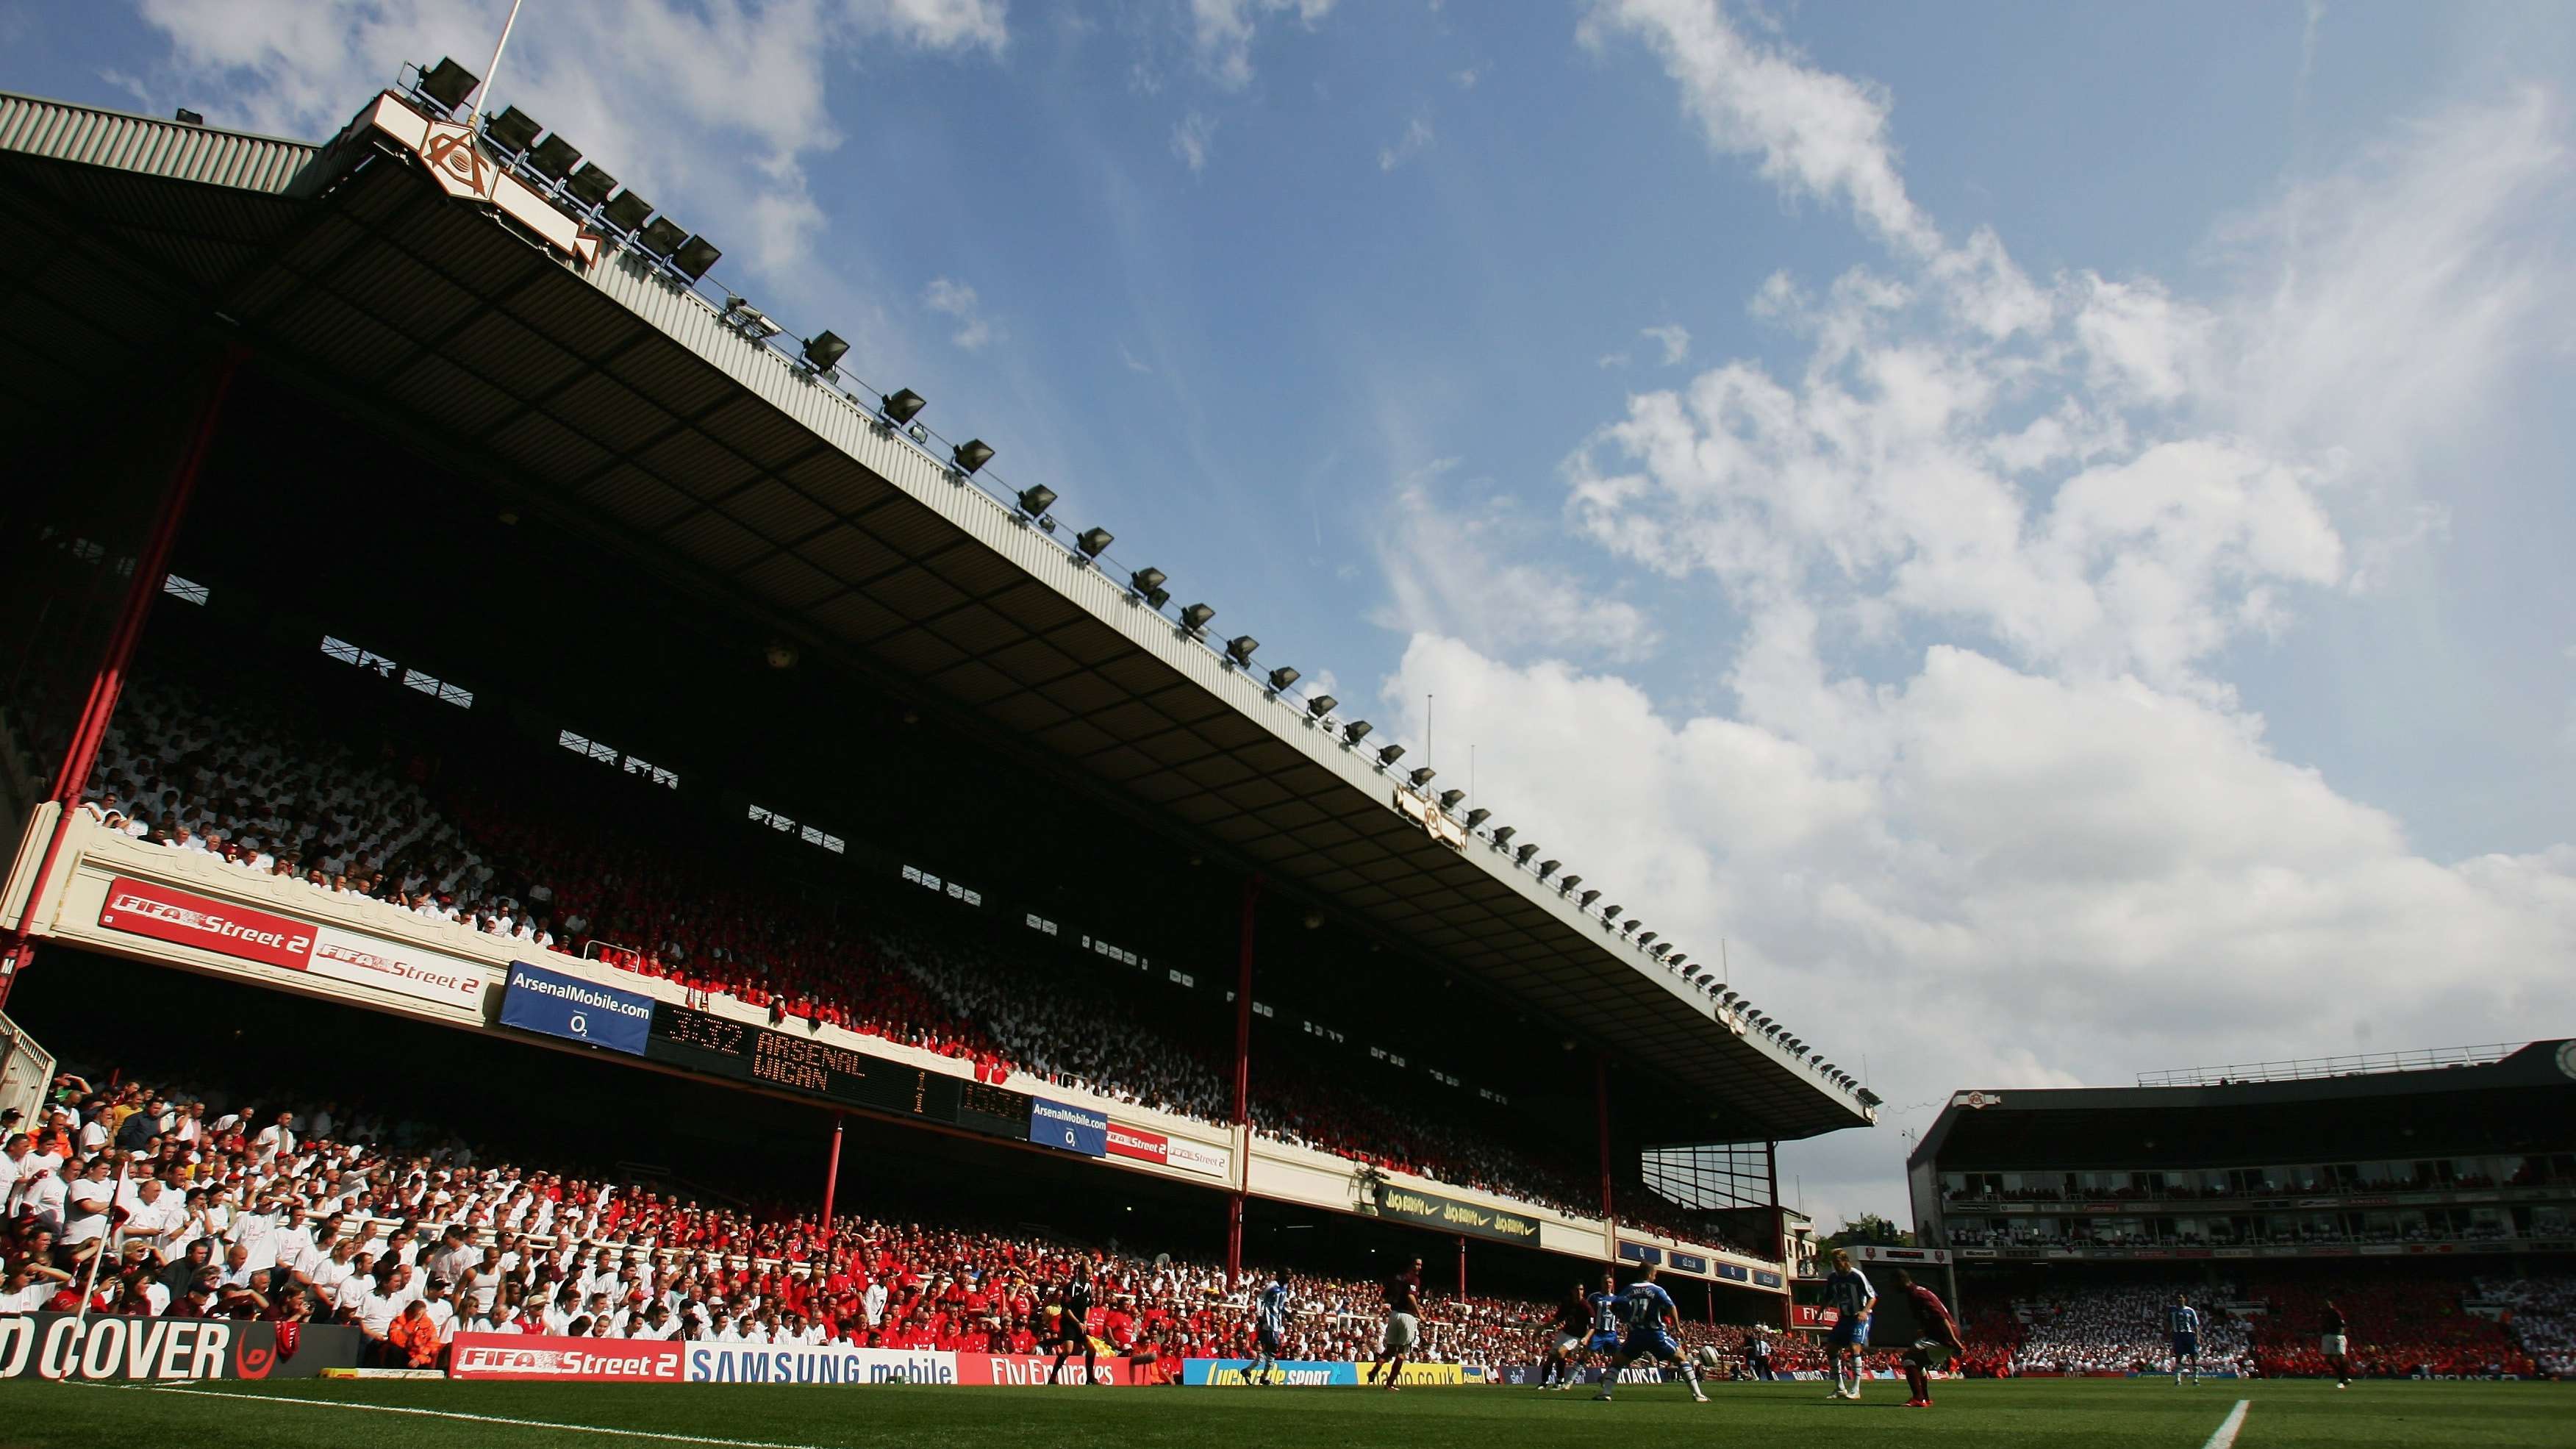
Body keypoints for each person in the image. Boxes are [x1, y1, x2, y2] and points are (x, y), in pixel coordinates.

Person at [1590, 1266, 1707, 1403]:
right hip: (1655, 1335)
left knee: (1617, 1362)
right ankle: (1698, 1394)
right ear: (1649, 1274)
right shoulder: (1657, 1290)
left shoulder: (1629, 1289)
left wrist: (1625, 1319)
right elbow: (1671, 1306)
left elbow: (1614, 1306)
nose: (1655, 1277)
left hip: (1635, 1336)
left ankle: (1606, 1393)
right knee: (1681, 1358)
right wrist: (1677, 1327)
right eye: (1654, 1274)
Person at [1891, 1270, 1963, 1409]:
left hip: (1944, 1337)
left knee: (1908, 1358)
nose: (1891, 1287)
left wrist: (1954, 1341)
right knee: (1917, 1362)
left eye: (1893, 1283)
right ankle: (1925, 1398)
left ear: (1900, 1280)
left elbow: (1941, 1318)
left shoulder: (1918, 1295)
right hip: (1938, 1335)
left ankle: (1919, 1398)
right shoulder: (1917, 1292)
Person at [1821, 1248, 1876, 1401]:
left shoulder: (1857, 1276)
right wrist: (1820, 1312)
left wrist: (1864, 1311)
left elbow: (1872, 1297)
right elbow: (1828, 1297)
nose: (1836, 1266)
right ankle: (1840, 1388)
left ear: (1845, 1261)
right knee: (1831, 1349)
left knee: (1854, 1347)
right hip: (1844, 1318)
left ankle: (1856, 1389)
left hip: (1859, 1317)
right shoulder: (1833, 1278)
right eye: (1834, 1263)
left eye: (1838, 1262)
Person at [1364, 1256, 1424, 1390]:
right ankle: (1390, 1383)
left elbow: (1385, 1295)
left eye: (1420, 1265)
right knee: (1401, 1352)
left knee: (1390, 1350)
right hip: (1407, 1316)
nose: (1419, 1267)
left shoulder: (1397, 1278)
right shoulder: (1414, 1279)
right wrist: (1420, 1314)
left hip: (1394, 1315)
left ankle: (1376, 1369)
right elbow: (1411, 1296)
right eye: (1417, 1264)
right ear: (1411, 1265)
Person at [1046, 1264, 1095, 1386]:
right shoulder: (1070, 1287)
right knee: (1068, 1350)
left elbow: (1088, 1306)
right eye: (1088, 1273)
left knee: (1091, 1349)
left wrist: (1085, 1321)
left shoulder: (1089, 1287)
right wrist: (1077, 1323)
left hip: (1081, 1323)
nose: (1090, 1276)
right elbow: (1066, 1309)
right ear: (1081, 1273)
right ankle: (1053, 1377)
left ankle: (1090, 1379)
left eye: (1091, 1273)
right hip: (1069, 1322)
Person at [1539, 1281, 1591, 1392]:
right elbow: (1558, 1319)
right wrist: (1543, 1327)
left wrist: (1586, 1338)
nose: (1579, 1292)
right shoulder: (1568, 1303)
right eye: (1577, 1290)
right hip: (1565, 1334)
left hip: (1576, 1337)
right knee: (1550, 1358)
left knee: (1561, 1352)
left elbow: (1592, 1326)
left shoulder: (1586, 1306)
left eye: (1581, 1289)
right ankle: (1544, 1383)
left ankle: (1560, 1382)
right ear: (1572, 1291)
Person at [1248, 1270, 1289, 1386]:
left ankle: (1251, 1371)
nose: (1289, 1276)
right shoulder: (1272, 1286)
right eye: (1287, 1274)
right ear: (1281, 1275)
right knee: (1273, 1349)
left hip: (1277, 1321)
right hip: (1269, 1320)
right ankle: (1263, 1376)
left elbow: (1280, 1305)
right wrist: (1259, 1315)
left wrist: (1287, 1313)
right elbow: (1260, 1299)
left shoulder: (1285, 1286)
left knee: (1271, 1350)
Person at [2168, 1291, 2203, 1387]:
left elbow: (2196, 1325)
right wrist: (2168, 1334)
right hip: (2177, 1335)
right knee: (2179, 1356)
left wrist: (2198, 1338)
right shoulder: (2171, 1310)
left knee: (2193, 1357)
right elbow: (2168, 1322)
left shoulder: (2190, 1310)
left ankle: (2196, 1379)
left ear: (2184, 1299)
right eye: (2177, 1298)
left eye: (2181, 1297)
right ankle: (2178, 1380)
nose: (2179, 1299)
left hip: (2188, 1335)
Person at [2320, 1300, 2352, 1389]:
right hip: (2327, 1337)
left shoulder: (2336, 1312)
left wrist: (2339, 1337)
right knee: (2328, 1360)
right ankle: (2344, 1377)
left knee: (2340, 1358)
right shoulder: (2323, 1314)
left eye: (2326, 1305)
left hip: (2337, 1336)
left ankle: (2341, 1381)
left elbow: (2343, 1326)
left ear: (2330, 1305)